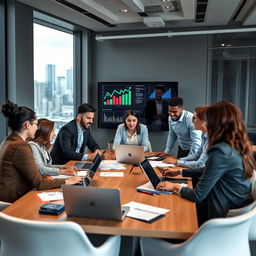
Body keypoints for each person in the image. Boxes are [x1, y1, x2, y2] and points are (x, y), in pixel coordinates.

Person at [157, 101, 255, 224]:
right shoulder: (233, 145)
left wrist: (174, 186)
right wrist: (180, 172)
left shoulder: (220, 151)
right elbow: (210, 170)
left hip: (223, 216)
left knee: (170, 214)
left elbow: (197, 196)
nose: (201, 122)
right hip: (236, 207)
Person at [0, 101, 81, 203]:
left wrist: (41, 177)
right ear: (27, 125)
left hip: (7, 196)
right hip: (14, 201)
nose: (37, 128)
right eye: (36, 124)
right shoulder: (21, 146)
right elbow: (39, 183)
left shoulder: (8, 141)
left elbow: (29, 174)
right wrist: (68, 181)